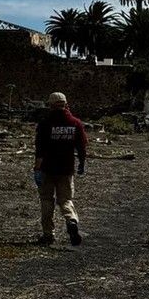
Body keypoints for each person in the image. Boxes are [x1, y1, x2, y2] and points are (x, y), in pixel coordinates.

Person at [33, 91, 88, 246]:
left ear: (50, 105)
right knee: (65, 200)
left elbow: (40, 150)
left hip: (47, 169)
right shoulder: (75, 123)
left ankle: (48, 235)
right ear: (65, 104)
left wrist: (37, 169)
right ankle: (71, 220)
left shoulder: (45, 124)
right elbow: (82, 147)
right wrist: (82, 164)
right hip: (66, 169)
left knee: (46, 200)